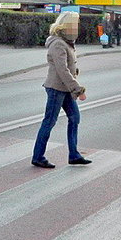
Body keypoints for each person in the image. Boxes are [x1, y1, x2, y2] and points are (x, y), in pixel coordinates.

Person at [32, 11, 92, 168]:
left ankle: (74, 155)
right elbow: (62, 70)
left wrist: (75, 72)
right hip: (56, 88)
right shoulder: (58, 43)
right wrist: (78, 89)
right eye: (75, 25)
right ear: (66, 26)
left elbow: (69, 67)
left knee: (74, 118)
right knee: (49, 121)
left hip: (65, 89)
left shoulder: (67, 42)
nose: (77, 28)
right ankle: (38, 156)